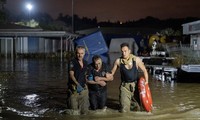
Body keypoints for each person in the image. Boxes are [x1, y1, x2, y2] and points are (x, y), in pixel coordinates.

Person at [111, 42, 149, 113]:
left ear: (129, 51)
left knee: (138, 109)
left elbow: (144, 70)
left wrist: (146, 82)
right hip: (124, 87)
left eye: (125, 51)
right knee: (124, 110)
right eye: (122, 51)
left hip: (136, 87)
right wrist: (105, 76)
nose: (124, 53)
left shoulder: (136, 59)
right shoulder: (118, 61)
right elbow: (112, 73)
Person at [67, 45, 89, 115]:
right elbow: (71, 75)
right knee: (74, 112)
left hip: (83, 90)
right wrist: (77, 84)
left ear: (84, 54)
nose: (80, 55)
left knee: (84, 112)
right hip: (74, 90)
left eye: (81, 53)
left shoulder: (85, 63)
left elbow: (86, 75)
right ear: (76, 53)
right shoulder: (72, 62)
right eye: (78, 53)